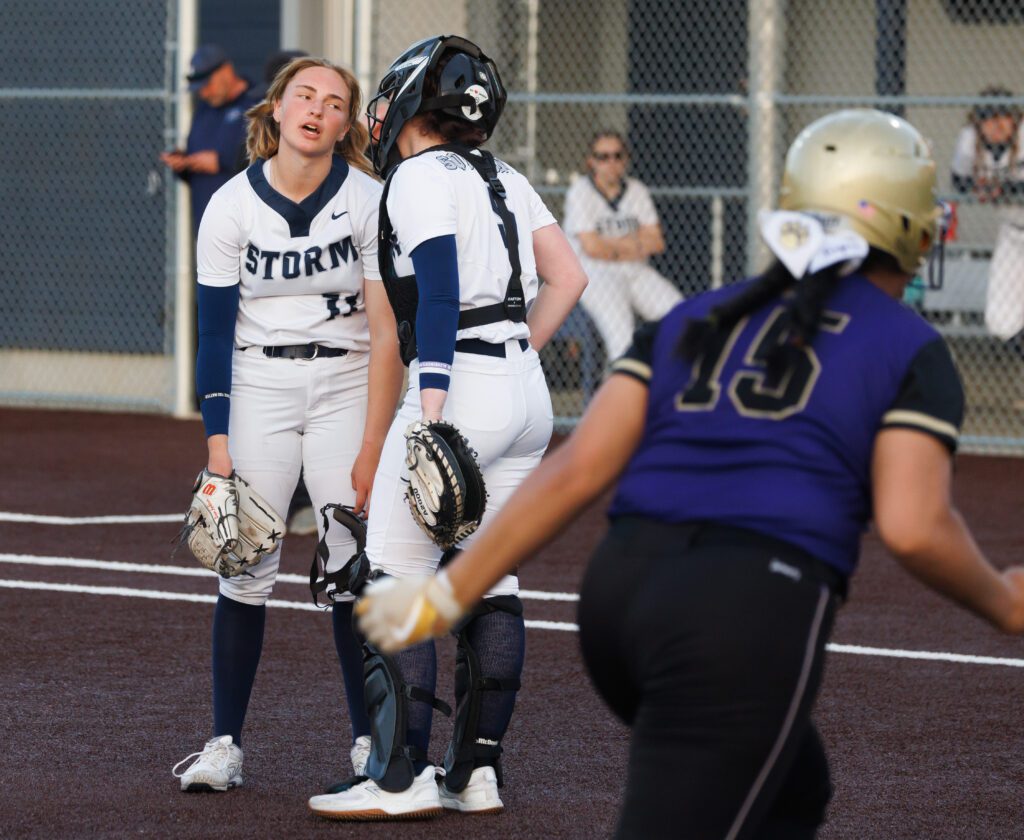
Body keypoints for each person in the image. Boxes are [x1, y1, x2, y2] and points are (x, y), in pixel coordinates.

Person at [353, 109, 1024, 838]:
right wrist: (1007, 604)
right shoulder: (907, 342)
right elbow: (914, 526)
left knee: (796, 789)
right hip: (740, 612)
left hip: (619, 597)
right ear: (909, 222)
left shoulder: (701, 314)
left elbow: (580, 470)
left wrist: (451, 589)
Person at [306, 34, 588, 821]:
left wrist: (430, 410)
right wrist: (517, 353)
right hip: (523, 394)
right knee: (489, 579)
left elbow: (434, 294)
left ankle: (398, 778)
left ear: (409, 101)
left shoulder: (418, 177)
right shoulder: (509, 176)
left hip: (455, 386)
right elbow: (571, 277)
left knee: (394, 578)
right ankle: (475, 775)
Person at [170, 57, 403, 793]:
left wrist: (373, 443)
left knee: (347, 566)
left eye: (335, 103)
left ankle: (368, 741)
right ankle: (223, 744)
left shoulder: (369, 200)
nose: (316, 109)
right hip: (259, 382)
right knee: (244, 569)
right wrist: (217, 448)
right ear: (274, 108)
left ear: (347, 125)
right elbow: (212, 335)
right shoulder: (231, 205)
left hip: (344, 382)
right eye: (304, 95)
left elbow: (385, 330)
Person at [563, 130, 682, 361]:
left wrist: (611, 246)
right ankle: (623, 388)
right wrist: (636, 243)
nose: (611, 163)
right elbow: (592, 248)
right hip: (595, 274)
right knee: (622, 336)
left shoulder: (637, 190)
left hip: (636, 271)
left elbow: (656, 242)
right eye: (603, 157)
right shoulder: (580, 192)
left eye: (618, 156)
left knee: (679, 315)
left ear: (626, 159)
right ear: (591, 161)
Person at [160, 45, 260, 234]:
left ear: (226, 71)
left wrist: (222, 161)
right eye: (199, 89)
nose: (204, 93)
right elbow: (196, 151)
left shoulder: (256, 103)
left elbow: (270, 159)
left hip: (248, 230)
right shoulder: (204, 109)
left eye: (207, 85)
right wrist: (184, 162)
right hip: (209, 230)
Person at [950, 86, 1024, 341]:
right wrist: (980, 186)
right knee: (1001, 321)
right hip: (1013, 234)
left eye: (1003, 116)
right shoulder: (970, 138)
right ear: (978, 122)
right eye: (989, 118)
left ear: (1014, 119)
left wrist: (1002, 187)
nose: (997, 124)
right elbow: (959, 181)